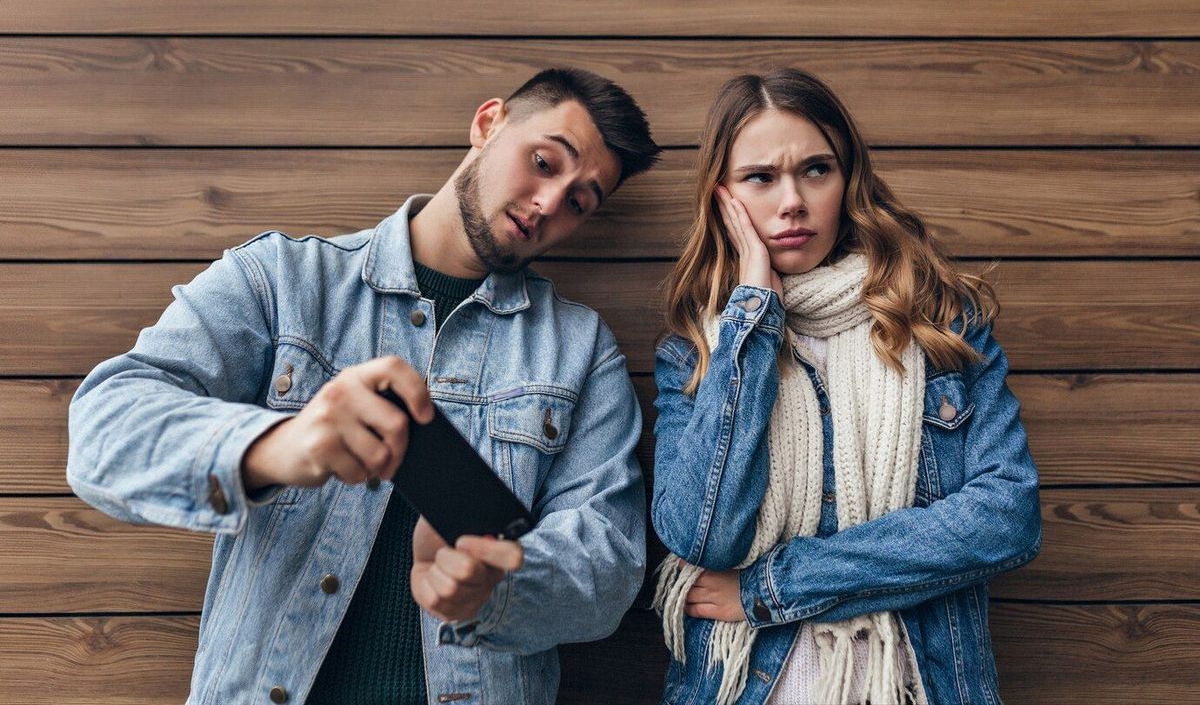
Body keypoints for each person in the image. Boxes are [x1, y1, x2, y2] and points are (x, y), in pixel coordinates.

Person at [67, 67, 659, 705]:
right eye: (543, 162)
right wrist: (276, 445)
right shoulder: (282, 280)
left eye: (579, 202)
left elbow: (607, 566)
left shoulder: (579, 349)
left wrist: (497, 588)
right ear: (489, 124)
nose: (547, 203)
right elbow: (104, 430)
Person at [651, 68, 1041, 705]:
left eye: (815, 170)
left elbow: (1007, 516)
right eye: (760, 178)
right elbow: (705, 536)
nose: (792, 203)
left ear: (847, 180)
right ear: (723, 198)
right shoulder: (695, 356)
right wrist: (751, 318)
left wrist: (771, 587)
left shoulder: (941, 329)